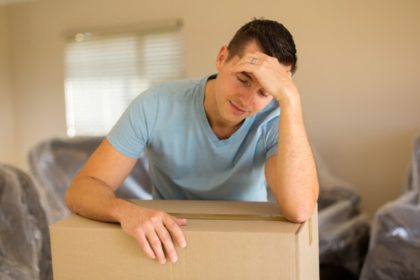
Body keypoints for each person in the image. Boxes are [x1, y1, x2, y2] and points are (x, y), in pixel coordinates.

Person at [66, 18, 319, 265]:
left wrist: (290, 100)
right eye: (243, 79)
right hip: (171, 244)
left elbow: (300, 209)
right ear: (222, 58)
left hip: (245, 245)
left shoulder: (275, 119)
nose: (247, 100)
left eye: (265, 91)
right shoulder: (154, 105)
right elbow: (82, 189)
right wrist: (126, 212)